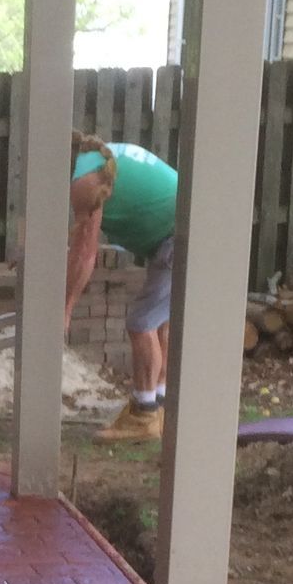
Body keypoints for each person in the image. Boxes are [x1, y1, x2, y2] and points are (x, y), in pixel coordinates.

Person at [66, 135, 178, 439]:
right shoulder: (94, 161)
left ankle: (144, 416)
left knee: (141, 324)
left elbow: (85, 253)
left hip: (182, 234)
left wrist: (64, 311)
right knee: (159, 324)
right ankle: (159, 406)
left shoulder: (86, 182)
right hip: (186, 226)